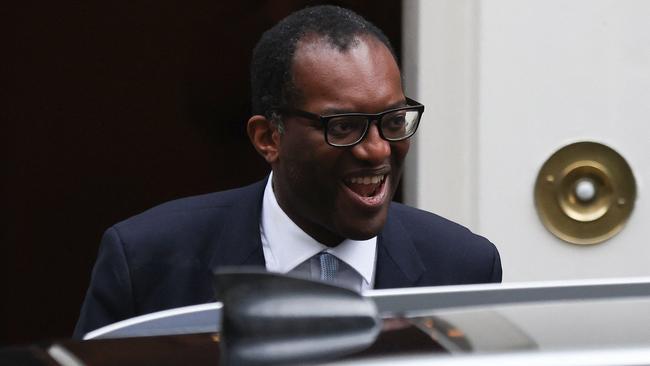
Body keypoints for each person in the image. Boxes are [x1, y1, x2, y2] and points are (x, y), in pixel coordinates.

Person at [73, 5, 501, 338]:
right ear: (268, 139)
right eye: (345, 127)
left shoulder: (463, 266)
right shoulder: (147, 261)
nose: (377, 151)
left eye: (393, 121)